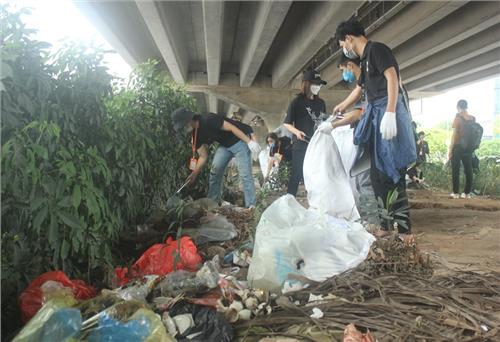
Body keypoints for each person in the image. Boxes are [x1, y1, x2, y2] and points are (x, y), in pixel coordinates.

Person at [332, 19, 416, 236]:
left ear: (348, 38)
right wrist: (341, 106)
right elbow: (360, 90)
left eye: (343, 44)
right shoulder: (366, 59)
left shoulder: (377, 50)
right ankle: (386, 227)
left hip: (388, 114)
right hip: (377, 116)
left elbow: (392, 78)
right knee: (377, 174)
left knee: (393, 172)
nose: (345, 49)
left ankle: (405, 232)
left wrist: (390, 112)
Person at [170, 108, 261, 208]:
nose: (183, 128)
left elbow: (232, 128)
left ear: (189, 119)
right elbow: (203, 156)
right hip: (224, 145)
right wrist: (194, 173)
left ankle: (251, 206)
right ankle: (212, 205)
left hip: (239, 141)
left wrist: (249, 142)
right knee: (215, 172)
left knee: (245, 175)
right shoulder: (195, 135)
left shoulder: (208, 119)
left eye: (183, 125)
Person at [283, 68, 328, 196]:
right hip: (301, 144)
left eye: (319, 84)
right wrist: (297, 132)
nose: (317, 87)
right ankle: (289, 200)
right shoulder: (297, 102)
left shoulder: (321, 103)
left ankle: (316, 201)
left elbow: (323, 121)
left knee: (316, 173)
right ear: (307, 84)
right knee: (297, 173)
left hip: (317, 144)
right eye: (315, 84)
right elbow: (287, 123)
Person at [449, 99, 475, 199]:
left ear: (458, 107)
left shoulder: (458, 118)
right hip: (468, 148)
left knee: (456, 169)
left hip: (458, 146)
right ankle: (467, 193)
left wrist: (450, 149)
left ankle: (456, 193)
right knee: (468, 169)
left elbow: (454, 135)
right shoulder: (472, 118)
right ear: (466, 106)